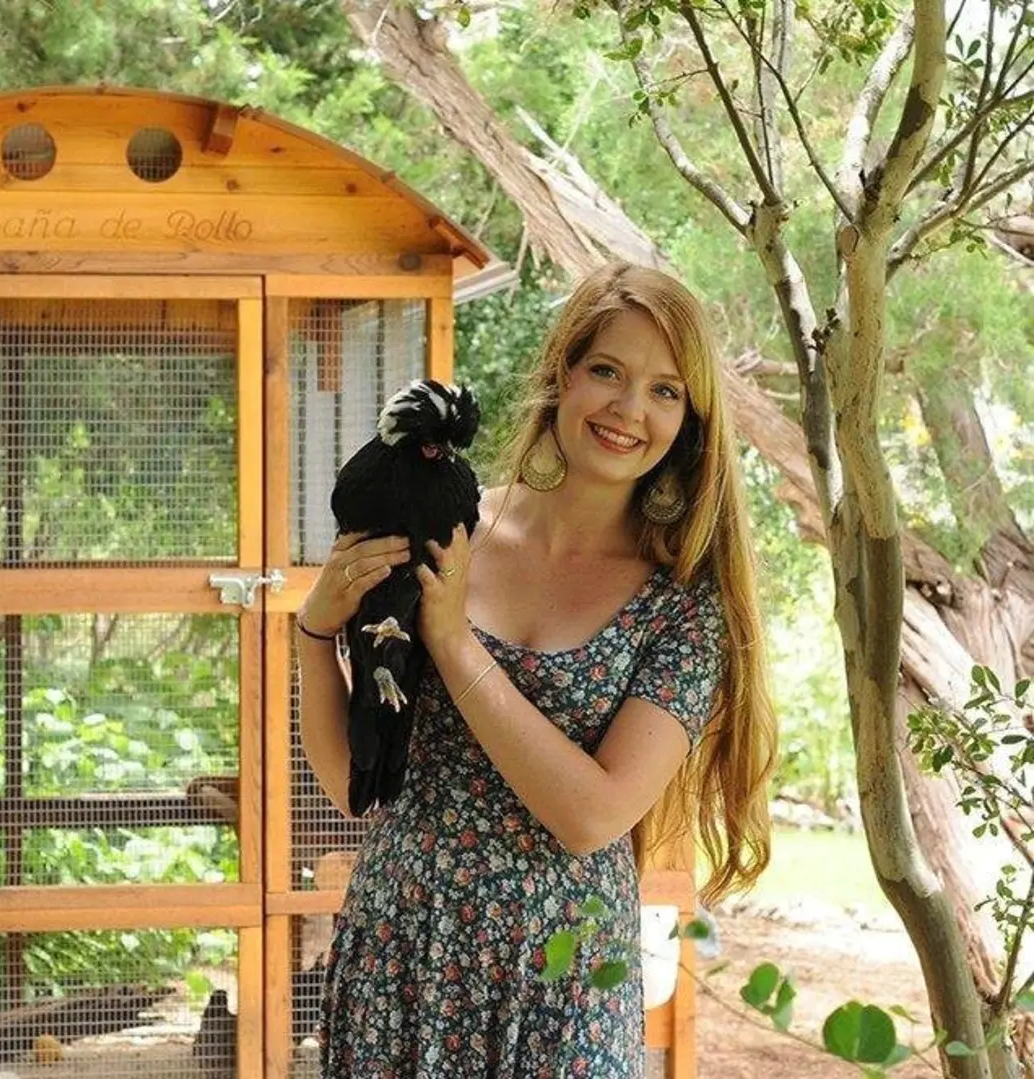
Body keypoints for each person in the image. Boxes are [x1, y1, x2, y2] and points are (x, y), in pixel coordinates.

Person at [295, 261, 778, 1078]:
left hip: (560, 985)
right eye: (608, 372)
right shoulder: (447, 524)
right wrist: (314, 634)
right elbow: (356, 784)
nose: (629, 409)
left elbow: (593, 816)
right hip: (399, 956)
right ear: (562, 373)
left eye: (665, 391)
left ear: (690, 421)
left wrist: (454, 643)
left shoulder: (685, 607)